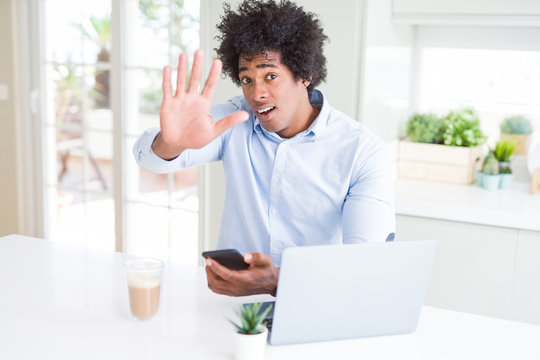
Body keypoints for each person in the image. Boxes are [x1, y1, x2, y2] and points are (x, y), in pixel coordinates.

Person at [133, 0, 395, 297]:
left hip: (319, 301)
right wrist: (173, 141)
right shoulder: (236, 119)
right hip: (233, 307)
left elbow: (367, 262)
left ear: (304, 74)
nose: (256, 94)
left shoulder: (362, 151)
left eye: (270, 76)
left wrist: (277, 281)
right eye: (246, 79)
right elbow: (150, 159)